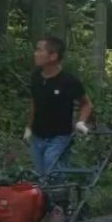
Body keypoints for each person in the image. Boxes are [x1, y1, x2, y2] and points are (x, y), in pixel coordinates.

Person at [26, 37, 92, 177]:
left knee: (53, 172)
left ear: (53, 56)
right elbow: (34, 102)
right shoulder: (36, 77)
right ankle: (46, 199)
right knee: (40, 175)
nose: (35, 54)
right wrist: (29, 127)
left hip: (59, 137)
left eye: (39, 50)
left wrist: (81, 122)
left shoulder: (69, 81)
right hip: (37, 136)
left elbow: (86, 103)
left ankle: (60, 198)